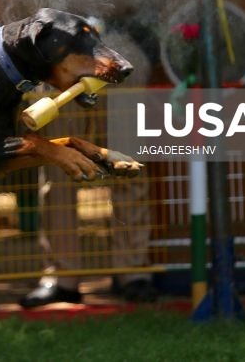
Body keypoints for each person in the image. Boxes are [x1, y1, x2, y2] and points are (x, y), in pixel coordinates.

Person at [18, 21, 159, 308]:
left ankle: (131, 272)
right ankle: (61, 279)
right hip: (61, 53)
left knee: (127, 162)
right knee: (58, 165)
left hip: (122, 46)